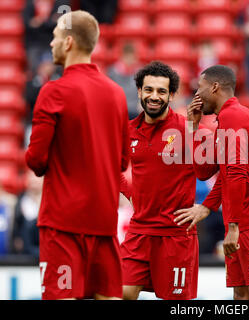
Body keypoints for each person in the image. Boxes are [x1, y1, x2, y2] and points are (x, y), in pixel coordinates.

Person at [25, 10, 130, 300]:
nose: (51, 44)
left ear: (69, 42)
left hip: (62, 224)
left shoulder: (53, 91)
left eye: (56, 36)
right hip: (103, 224)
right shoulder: (116, 93)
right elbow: (122, 161)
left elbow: (36, 160)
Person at [174, 65, 249, 300]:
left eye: (200, 87)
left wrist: (232, 225)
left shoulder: (233, 117)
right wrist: (193, 129)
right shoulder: (227, 118)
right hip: (243, 220)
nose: (197, 94)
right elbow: (205, 171)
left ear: (214, 87)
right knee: (241, 294)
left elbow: (236, 173)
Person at [119, 61, 203, 300]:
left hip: (176, 234)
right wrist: (131, 194)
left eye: (161, 91)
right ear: (139, 91)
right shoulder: (128, 130)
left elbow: (222, 171)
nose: (154, 96)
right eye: (149, 90)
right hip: (140, 230)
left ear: (172, 95)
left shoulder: (187, 128)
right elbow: (111, 168)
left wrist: (207, 207)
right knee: (121, 292)